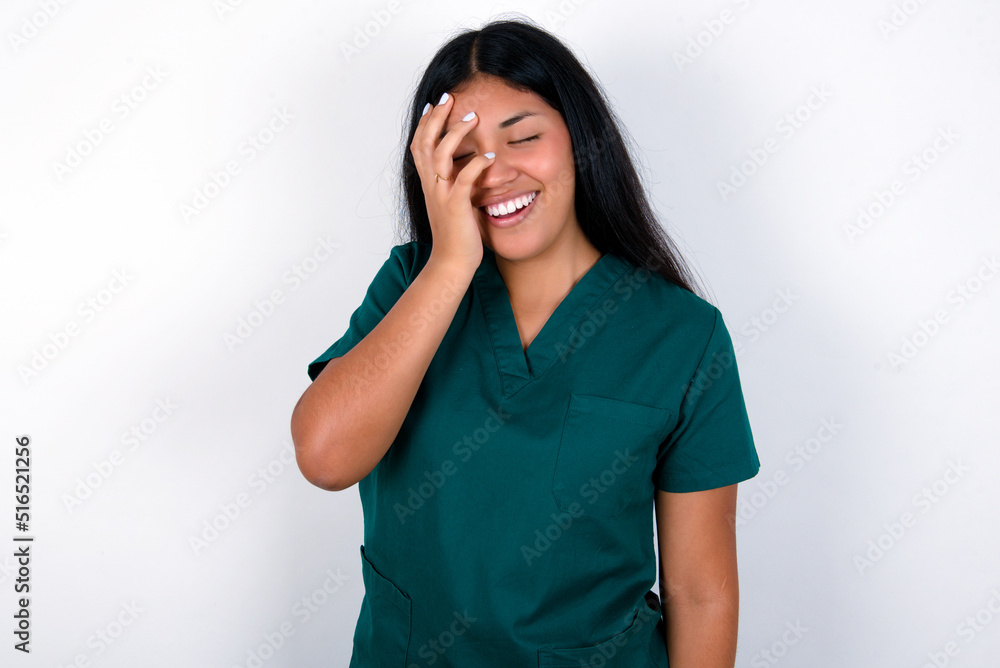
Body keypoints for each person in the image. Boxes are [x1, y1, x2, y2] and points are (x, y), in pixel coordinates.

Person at [290, 16, 760, 668]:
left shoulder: (682, 336)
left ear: (580, 140)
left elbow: (702, 594)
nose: (494, 173)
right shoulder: (409, 286)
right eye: (462, 155)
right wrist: (450, 265)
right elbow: (325, 458)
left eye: (524, 138)